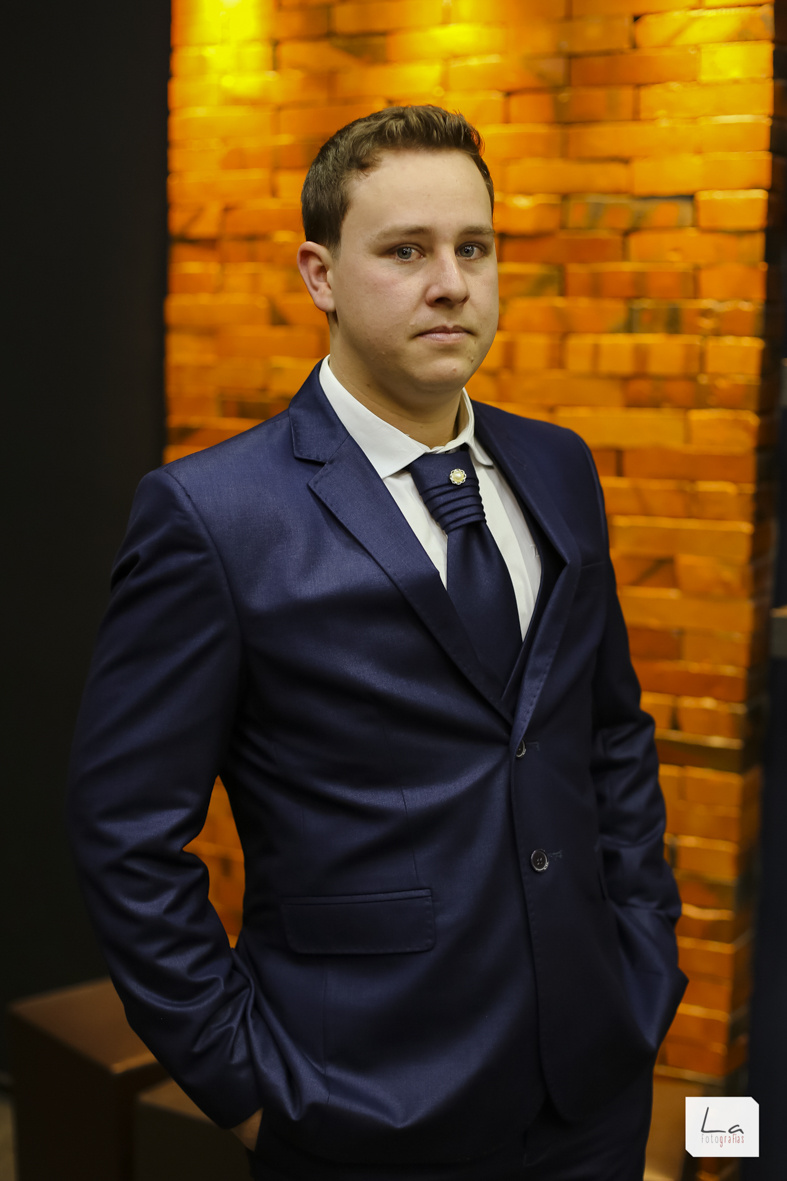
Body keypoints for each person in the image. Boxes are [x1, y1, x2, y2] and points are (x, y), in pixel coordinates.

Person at [67, 106, 687, 1181]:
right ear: (320, 274)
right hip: (358, 1107)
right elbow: (124, 833)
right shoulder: (213, 514)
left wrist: (643, 950)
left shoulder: (558, 466)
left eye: (473, 248)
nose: (450, 283)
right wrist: (246, 1089)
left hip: (592, 1085)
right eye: (406, 251)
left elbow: (608, 731)